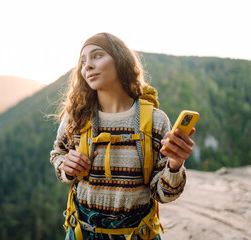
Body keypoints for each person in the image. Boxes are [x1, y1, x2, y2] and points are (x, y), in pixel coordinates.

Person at [50, 32, 196, 240]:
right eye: (83, 62)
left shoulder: (155, 121)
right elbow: (58, 154)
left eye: (97, 55)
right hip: (82, 233)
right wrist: (65, 166)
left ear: (120, 60)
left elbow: (164, 194)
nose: (87, 66)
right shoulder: (77, 117)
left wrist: (175, 164)